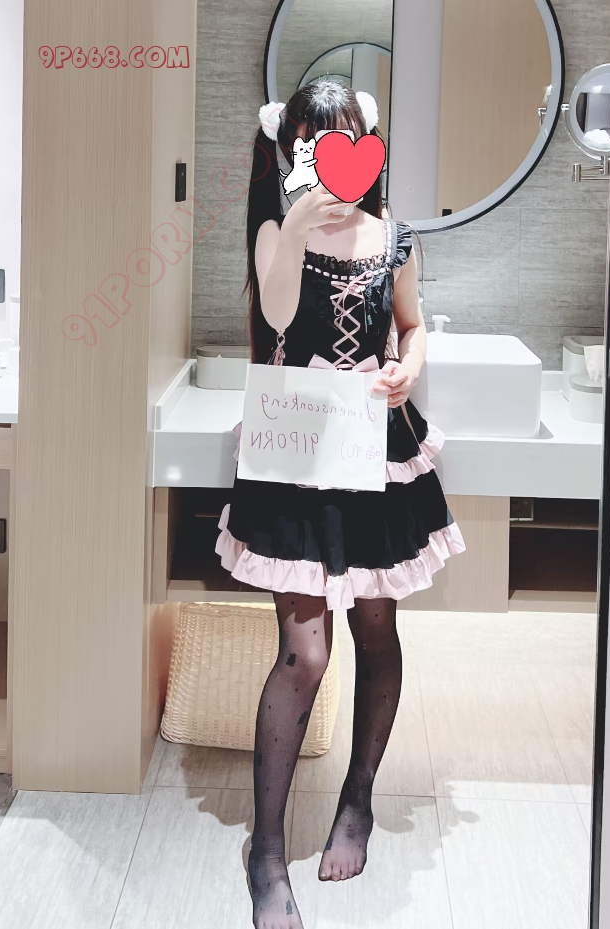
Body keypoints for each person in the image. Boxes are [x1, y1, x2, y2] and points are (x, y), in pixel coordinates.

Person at [215, 81, 466, 929]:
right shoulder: (273, 234)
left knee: (375, 630)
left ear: (365, 145)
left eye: (343, 142)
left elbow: (413, 325)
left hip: (376, 452)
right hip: (296, 456)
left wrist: (406, 369)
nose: (329, 162)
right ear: (290, 153)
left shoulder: (395, 237)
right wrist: (292, 225)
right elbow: (278, 312)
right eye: (311, 146)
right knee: (304, 656)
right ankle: (266, 848)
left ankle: (358, 799)